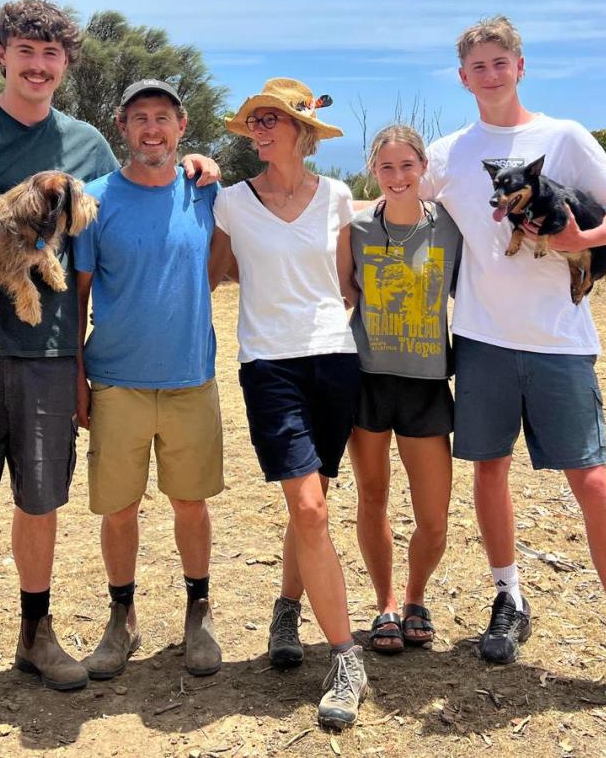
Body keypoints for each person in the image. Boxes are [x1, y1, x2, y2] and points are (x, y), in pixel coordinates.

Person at [0, 0, 218, 717]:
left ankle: (35, 631)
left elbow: (138, 181)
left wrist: (194, 162)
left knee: (40, 502)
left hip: (50, 354)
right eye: (25, 49)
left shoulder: (85, 142)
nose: (38, 64)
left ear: (66, 63)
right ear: (2, 53)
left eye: (51, 54)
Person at [421, 15, 606, 731]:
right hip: (480, 339)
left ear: (521, 65)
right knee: (489, 470)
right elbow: (393, 194)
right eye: (477, 64)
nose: (490, 73)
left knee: (592, 481)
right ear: (463, 77)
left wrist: (581, 238)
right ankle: (509, 598)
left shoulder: (563, 136)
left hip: (562, 342)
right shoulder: (450, 153)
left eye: (500, 61)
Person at [210, 78, 367, 731]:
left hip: (335, 361)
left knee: (315, 506)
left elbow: (346, 284)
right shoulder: (228, 204)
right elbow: (210, 273)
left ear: (304, 132)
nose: (262, 128)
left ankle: (285, 608)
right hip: (269, 367)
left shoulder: (337, 198)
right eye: (256, 119)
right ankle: (346, 656)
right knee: (307, 505)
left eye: (274, 118)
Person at [74, 79, 223, 681]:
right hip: (115, 381)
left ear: (182, 127)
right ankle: (122, 618)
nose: (152, 129)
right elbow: (76, 297)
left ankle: (199, 612)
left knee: (190, 503)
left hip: (191, 378)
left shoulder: (205, 195)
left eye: (163, 117)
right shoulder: (93, 200)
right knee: (120, 508)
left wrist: (210, 167)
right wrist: (75, 377)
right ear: (122, 127)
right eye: (140, 119)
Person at [338, 125, 461, 655]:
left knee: (434, 517)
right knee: (373, 498)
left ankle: (417, 596)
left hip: (427, 383)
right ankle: (386, 603)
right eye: (386, 168)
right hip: (367, 378)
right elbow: (343, 293)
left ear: (423, 168)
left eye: (407, 166)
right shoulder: (356, 229)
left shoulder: (451, 229)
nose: (397, 177)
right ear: (373, 172)